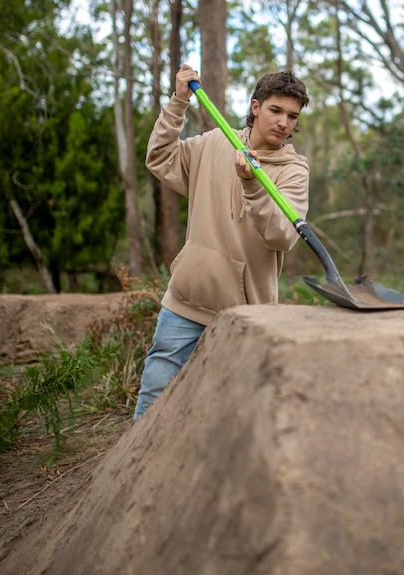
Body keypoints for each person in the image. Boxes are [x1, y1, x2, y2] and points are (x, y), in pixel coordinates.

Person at [134, 64, 311, 420]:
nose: (283, 123)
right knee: (154, 404)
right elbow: (161, 158)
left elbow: (282, 236)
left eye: (292, 116)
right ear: (256, 106)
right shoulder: (215, 142)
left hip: (248, 314)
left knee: (234, 416)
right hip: (187, 301)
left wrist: (252, 184)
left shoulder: (293, 171)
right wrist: (178, 104)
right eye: (276, 110)